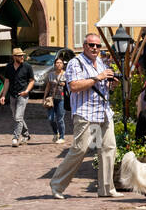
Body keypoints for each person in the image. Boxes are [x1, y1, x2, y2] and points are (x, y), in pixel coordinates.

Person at [50, 33, 118, 199]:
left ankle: (106, 189)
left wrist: (112, 84)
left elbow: (103, 88)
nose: (95, 48)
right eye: (91, 45)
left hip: (103, 112)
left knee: (108, 148)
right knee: (80, 149)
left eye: (97, 45)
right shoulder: (76, 63)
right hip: (85, 113)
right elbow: (73, 86)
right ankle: (57, 184)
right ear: (84, 46)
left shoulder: (101, 62)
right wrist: (97, 77)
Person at [0, 48, 36, 146]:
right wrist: (3, 95)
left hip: (23, 95)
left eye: (22, 55)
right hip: (12, 95)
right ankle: (26, 135)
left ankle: (15, 138)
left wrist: (27, 91)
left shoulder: (27, 67)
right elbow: (7, 81)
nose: (22, 57)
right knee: (16, 117)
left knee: (18, 117)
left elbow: (32, 81)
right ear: (14, 57)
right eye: (19, 56)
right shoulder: (8, 67)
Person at [42, 54, 70, 144]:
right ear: (54, 64)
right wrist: (44, 97)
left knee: (60, 118)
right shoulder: (50, 75)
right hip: (51, 99)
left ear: (63, 64)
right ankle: (55, 133)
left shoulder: (66, 74)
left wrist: (65, 85)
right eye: (57, 63)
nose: (58, 64)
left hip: (62, 99)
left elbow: (71, 86)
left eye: (60, 63)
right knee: (51, 118)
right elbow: (48, 86)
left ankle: (62, 137)